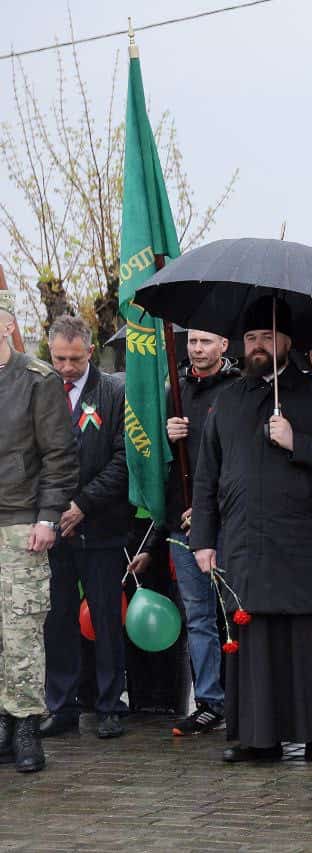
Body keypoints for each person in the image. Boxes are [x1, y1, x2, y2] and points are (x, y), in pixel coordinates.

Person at [191, 297, 312, 764]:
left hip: (303, 541)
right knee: (255, 639)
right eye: (251, 339)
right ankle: (258, 738)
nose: (258, 346)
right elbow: (207, 477)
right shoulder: (228, 400)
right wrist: (202, 539)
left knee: (309, 639)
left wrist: (296, 441)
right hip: (245, 541)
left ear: (287, 342)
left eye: (267, 337)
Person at [40, 315, 132, 741]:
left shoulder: (114, 391)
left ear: (91, 352)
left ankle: (110, 704)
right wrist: (53, 510)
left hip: (102, 527)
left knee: (106, 618)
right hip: (52, 529)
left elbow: (123, 458)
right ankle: (62, 705)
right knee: (58, 620)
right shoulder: (42, 390)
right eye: (59, 358)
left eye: (75, 359)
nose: (66, 368)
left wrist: (83, 504)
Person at [0, 292, 77, 773]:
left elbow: (59, 456)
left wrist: (48, 517)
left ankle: (25, 723)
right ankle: (1, 721)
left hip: (20, 522)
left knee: (22, 628)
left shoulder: (37, 379)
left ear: (6, 326)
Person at [164, 329, 239, 736]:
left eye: (206, 342)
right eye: (192, 342)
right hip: (183, 522)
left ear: (224, 345)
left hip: (226, 522)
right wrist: (167, 436)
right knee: (198, 617)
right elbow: (156, 461)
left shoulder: (238, 389)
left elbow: (241, 459)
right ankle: (210, 700)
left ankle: (243, 695)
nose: (197, 349)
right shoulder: (174, 391)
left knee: (237, 612)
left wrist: (209, 509)